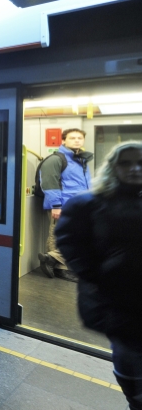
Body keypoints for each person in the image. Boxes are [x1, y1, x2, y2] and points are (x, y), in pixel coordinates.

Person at [56, 141, 142, 409]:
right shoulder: (88, 204)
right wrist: (101, 275)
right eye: (125, 162)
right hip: (114, 302)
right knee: (130, 355)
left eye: (140, 162)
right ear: (112, 167)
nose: (135, 168)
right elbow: (70, 243)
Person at [38, 128, 93, 282]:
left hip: (80, 205)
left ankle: (51, 258)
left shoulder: (80, 160)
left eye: (80, 138)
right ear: (63, 141)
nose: (77, 140)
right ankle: (59, 268)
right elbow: (49, 183)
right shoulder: (56, 159)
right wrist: (56, 205)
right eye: (73, 138)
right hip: (63, 205)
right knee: (58, 235)